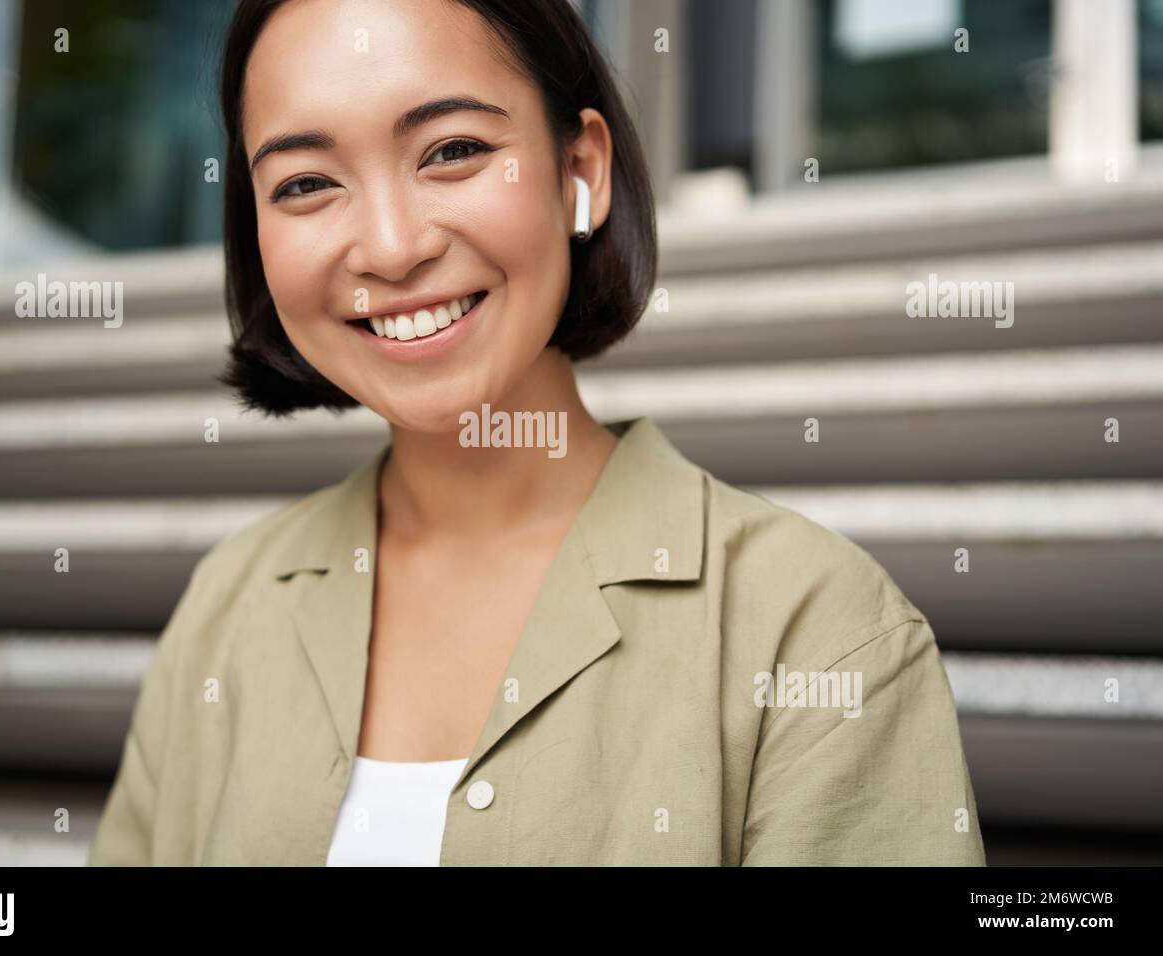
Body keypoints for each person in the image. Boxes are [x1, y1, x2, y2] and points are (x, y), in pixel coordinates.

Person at [88, 0, 985, 866]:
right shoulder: (228, 611)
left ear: (580, 170)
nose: (391, 248)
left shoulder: (816, 628)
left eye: (453, 150)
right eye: (307, 184)